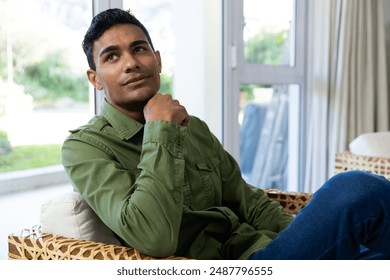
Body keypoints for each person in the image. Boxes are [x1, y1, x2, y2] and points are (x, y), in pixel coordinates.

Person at [62, 8, 390, 260]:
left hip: (271, 253)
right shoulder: (85, 148)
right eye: (112, 57)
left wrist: (313, 239)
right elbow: (153, 238)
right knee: (354, 186)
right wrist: (161, 130)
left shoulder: (194, 128)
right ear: (95, 79)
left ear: (157, 61)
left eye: (139, 49)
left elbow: (250, 202)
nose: (131, 63)